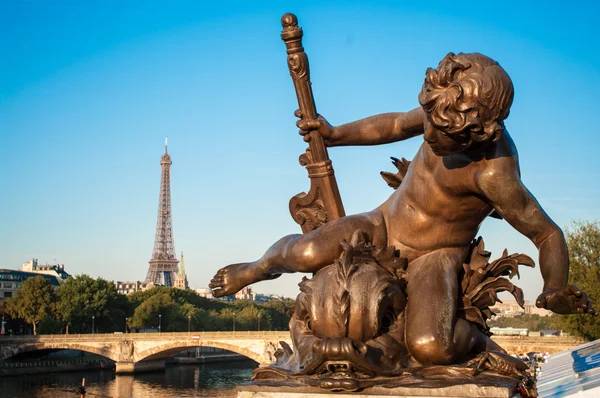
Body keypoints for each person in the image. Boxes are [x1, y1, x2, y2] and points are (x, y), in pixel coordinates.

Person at [210, 52, 594, 365]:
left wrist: (554, 287)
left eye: (440, 136)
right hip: (384, 223)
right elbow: (393, 125)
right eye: (428, 122)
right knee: (306, 250)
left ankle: (475, 340)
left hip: (435, 254)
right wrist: (335, 135)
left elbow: (547, 233)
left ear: (479, 132)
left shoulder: (495, 174)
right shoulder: (444, 109)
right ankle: (256, 268)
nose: (427, 134)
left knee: (430, 345)